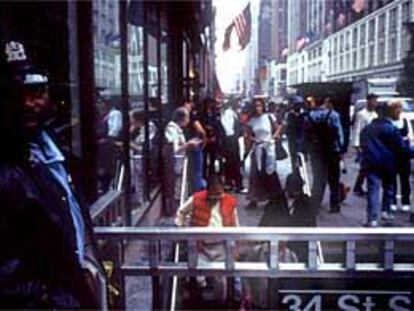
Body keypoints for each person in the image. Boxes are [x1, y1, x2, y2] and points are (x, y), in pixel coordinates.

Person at [0, 40, 101, 308]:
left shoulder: (52, 145)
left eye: (36, 92)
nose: (28, 103)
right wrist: (49, 296)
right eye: (15, 94)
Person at [175, 174, 239, 304]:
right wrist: (180, 226)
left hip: (222, 247)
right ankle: (198, 300)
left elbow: (236, 225)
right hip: (201, 246)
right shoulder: (196, 199)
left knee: (221, 282)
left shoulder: (230, 202)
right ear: (207, 190)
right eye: (212, 196)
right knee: (197, 277)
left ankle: (220, 304)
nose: (215, 199)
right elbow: (181, 212)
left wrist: (235, 245)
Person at [361, 102, 414, 227]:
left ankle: (372, 218)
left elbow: (363, 143)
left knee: (373, 190)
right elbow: (401, 147)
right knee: (389, 188)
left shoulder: (368, 128)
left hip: (372, 162)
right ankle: (386, 211)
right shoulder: (390, 128)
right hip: (388, 162)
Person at [303, 95, 344, 213]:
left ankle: (315, 205)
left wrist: (306, 150)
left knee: (318, 179)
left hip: (316, 151)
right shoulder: (334, 115)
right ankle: (334, 205)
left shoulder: (309, 116)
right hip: (332, 150)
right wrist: (340, 149)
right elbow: (339, 134)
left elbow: (306, 135)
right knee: (334, 179)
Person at [244, 98, 283, 209]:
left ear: (263, 106)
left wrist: (273, 137)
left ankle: (274, 198)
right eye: (256, 106)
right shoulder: (251, 120)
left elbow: (278, 128)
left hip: (269, 148)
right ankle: (254, 199)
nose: (258, 108)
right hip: (257, 149)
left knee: (270, 173)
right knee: (255, 175)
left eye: (260, 105)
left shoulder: (270, 117)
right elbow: (247, 134)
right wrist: (252, 140)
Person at [163, 107, 201, 216]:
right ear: (182, 118)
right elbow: (174, 149)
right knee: (176, 189)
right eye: (187, 118)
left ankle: (181, 210)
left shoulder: (178, 129)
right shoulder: (171, 129)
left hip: (180, 163)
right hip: (173, 163)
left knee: (181, 188)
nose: (189, 121)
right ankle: (177, 211)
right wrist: (188, 145)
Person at [388, 101, 413, 212]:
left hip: (404, 155)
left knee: (405, 179)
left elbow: (411, 137)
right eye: (395, 108)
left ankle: (405, 201)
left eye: (399, 108)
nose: (397, 111)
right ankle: (392, 201)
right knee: (392, 180)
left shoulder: (405, 122)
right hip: (392, 155)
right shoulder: (388, 123)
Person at [352, 94, 378, 196]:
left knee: (368, 167)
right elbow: (358, 129)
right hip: (364, 143)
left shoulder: (375, 115)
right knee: (365, 166)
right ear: (368, 101)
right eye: (373, 101)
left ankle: (360, 186)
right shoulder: (361, 114)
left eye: (376, 101)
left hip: (373, 143)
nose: (375, 103)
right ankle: (360, 186)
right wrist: (357, 145)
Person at [182, 98, 207, 192]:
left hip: (185, 146)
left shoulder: (179, 116)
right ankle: (198, 189)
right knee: (197, 169)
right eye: (189, 103)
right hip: (194, 145)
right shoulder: (192, 117)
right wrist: (204, 140)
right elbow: (201, 131)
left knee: (189, 169)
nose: (190, 105)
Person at [220, 99, 244, 192]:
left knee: (231, 162)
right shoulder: (229, 113)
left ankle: (231, 183)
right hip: (231, 141)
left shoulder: (231, 113)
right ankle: (236, 184)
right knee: (233, 162)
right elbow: (228, 129)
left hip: (232, 141)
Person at [202, 97, 225, 178]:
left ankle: (212, 176)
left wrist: (216, 137)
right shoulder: (202, 114)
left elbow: (218, 127)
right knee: (204, 159)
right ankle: (204, 175)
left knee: (213, 159)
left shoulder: (215, 114)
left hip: (214, 140)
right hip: (205, 140)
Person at [285, 96, 306, 169]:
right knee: (293, 157)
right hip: (292, 139)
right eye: (296, 104)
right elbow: (286, 126)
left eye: (299, 104)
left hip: (302, 139)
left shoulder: (305, 114)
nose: (297, 106)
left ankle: (303, 173)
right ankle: (295, 173)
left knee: (302, 158)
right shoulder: (289, 115)